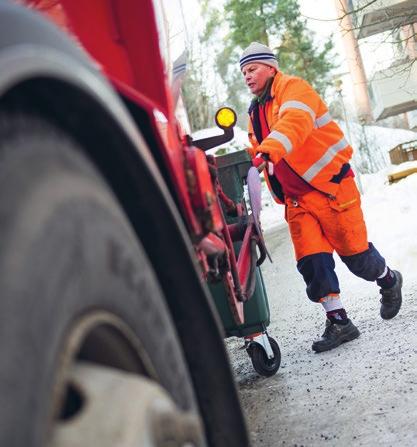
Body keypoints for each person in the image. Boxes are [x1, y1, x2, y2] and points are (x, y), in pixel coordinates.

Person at [240, 42, 403, 352]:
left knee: (357, 258)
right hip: (297, 200)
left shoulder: (293, 88)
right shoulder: (254, 111)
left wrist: (265, 152)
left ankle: (388, 279)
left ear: (271, 68)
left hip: (331, 188)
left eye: (253, 69)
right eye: (244, 72)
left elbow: (293, 125)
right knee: (313, 263)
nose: (247, 76)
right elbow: (258, 148)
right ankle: (340, 322)